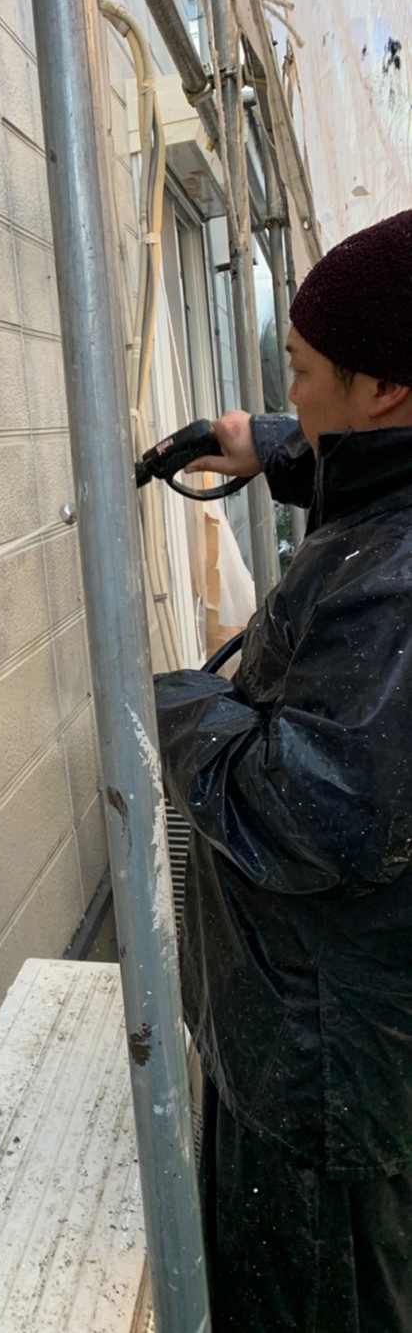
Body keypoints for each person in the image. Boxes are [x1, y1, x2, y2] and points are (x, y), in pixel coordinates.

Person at [154, 209, 412, 1333]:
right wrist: (269, 438)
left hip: (327, 1086)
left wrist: (180, 702)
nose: (287, 388)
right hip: (324, 1035)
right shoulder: (384, 483)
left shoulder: (397, 579)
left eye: (301, 372)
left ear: (386, 391)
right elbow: (360, 464)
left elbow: (313, 810)